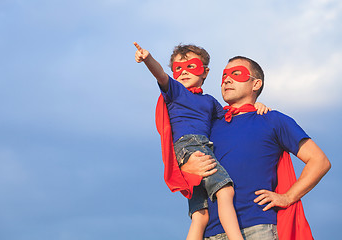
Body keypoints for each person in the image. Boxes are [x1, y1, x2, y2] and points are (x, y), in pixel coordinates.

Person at [181, 56, 331, 240]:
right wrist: (186, 167)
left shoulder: (272, 120)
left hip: (257, 229)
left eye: (237, 74)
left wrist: (287, 197)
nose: (227, 79)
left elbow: (320, 161)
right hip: (210, 232)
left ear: (256, 84)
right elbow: (182, 150)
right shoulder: (208, 123)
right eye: (224, 75)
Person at [134, 42, 268, 240]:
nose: (184, 72)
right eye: (178, 68)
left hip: (199, 147)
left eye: (191, 66)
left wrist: (255, 105)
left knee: (200, 214)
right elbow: (160, 75)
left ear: (205, 72)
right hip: (190, 146)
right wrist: (148, 58)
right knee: (225, 190)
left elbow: (231, 117)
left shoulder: (210, 102)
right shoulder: (176, 93)